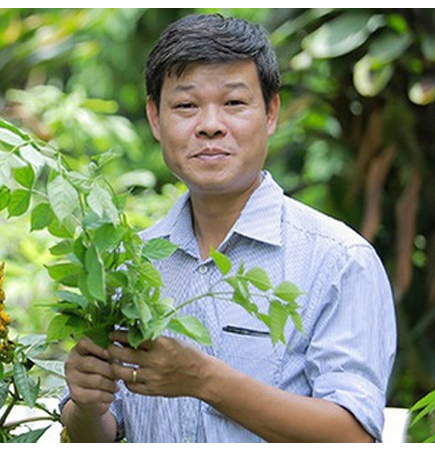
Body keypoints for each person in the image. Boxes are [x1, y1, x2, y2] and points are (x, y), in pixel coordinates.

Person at [60, 13, 396, 443]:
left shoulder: (340, 259)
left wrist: (205, 380)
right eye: (186, 105)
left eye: (234, 103)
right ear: (155, 119)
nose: (210, 124)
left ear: (271, 112)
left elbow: (354, 437)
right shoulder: (127, 262)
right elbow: (103, 431)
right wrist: (85, 404)